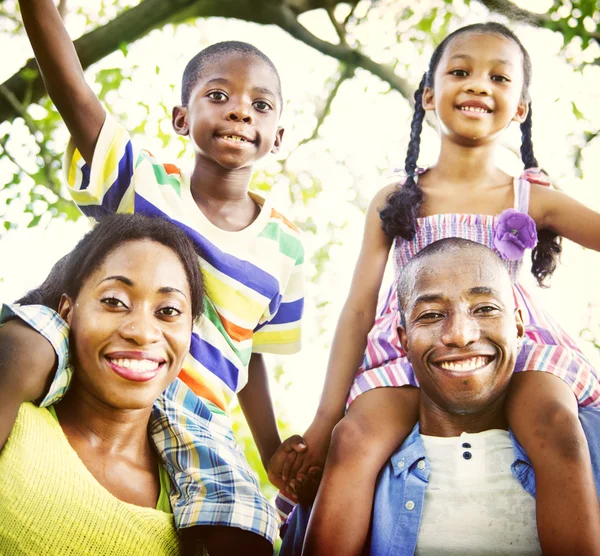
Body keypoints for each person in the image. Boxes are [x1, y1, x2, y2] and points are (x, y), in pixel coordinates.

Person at [273, 22, 600, 555]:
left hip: (515, 349)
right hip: (412, 352)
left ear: (519, 107)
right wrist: (325, 416)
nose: (477, 85)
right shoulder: (397, 196)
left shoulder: (532, 197)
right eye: (460, 71)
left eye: (499, 77)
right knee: (353, 439)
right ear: (429, 95)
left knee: (557, 423)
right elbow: (359, 310)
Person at [3, 0, 308, 547]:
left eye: (260, 105)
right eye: (219, 96)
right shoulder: (146, 185)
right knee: (22, 344)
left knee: (246, 525)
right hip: (98, 351)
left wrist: (269, 451)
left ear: (279, 136)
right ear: (181, 119)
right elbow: (74, 96)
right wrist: (42, 10)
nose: (240, 111)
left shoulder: (285, 249)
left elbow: (252, 353)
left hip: (199, 410)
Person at [279, 238, 600, 555]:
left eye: (486, 308)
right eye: (431, 315)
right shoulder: (341, 474)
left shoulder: (578, 437)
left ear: (519, 328)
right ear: (402, 339)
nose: (460, 335)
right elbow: (359, 307)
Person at [0, 213, 209, 555]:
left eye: (168, 311)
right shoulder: (15, 412)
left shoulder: (194, 511)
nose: (141, 332)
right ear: (68, 312)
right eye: (113, 302)